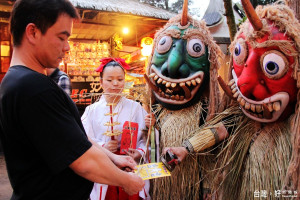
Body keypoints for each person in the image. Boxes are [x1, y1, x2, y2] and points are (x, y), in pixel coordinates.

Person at [0, 0, 144, 199]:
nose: (67, 47)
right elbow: (83, 161)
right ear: (32, 32)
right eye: (61, 37)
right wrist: (126, 180)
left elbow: (76, 140)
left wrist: (112, 157)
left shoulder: (17, 81)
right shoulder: (33, 88)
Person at [82, 57, 154, 200]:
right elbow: (83, 139)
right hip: (103, 167)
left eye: (120, 79)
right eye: (109, 80)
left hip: (130, 167)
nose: (115, 84)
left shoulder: (135, 107)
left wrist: (139, 151)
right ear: (101, 82)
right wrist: (103, 146)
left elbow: (146, 139)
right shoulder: (91, 110)